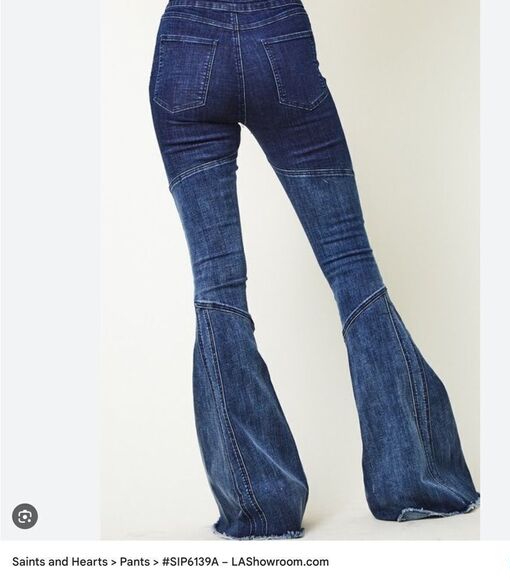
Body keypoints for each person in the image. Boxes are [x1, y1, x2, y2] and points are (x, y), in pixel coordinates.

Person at [149, 0, 479, 540]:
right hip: (277, 36)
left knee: (217, 283)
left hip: (185, 48)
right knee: (351, 263)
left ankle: (260, 508)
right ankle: (416, 481)